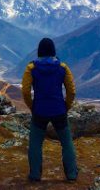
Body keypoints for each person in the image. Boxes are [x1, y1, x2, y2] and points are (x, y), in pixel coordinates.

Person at [22, 38, 78, 182]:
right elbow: (71, 91)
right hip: (59, 110)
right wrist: (66, 106)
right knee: (67, 142)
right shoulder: (63, 67)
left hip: (39, 110)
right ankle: (71, 175)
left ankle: (35, 175)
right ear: (53, 51)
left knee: (35, 144)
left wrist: (32, 106)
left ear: (39, 51)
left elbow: (26, 92)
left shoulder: (31, 68)